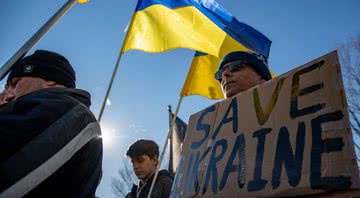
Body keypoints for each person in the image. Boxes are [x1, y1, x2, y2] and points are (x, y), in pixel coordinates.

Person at [0, 50, 103, 198]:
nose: (8, 94)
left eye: (15, 83)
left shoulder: (69, 111)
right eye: (6, 87)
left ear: (51, 80)